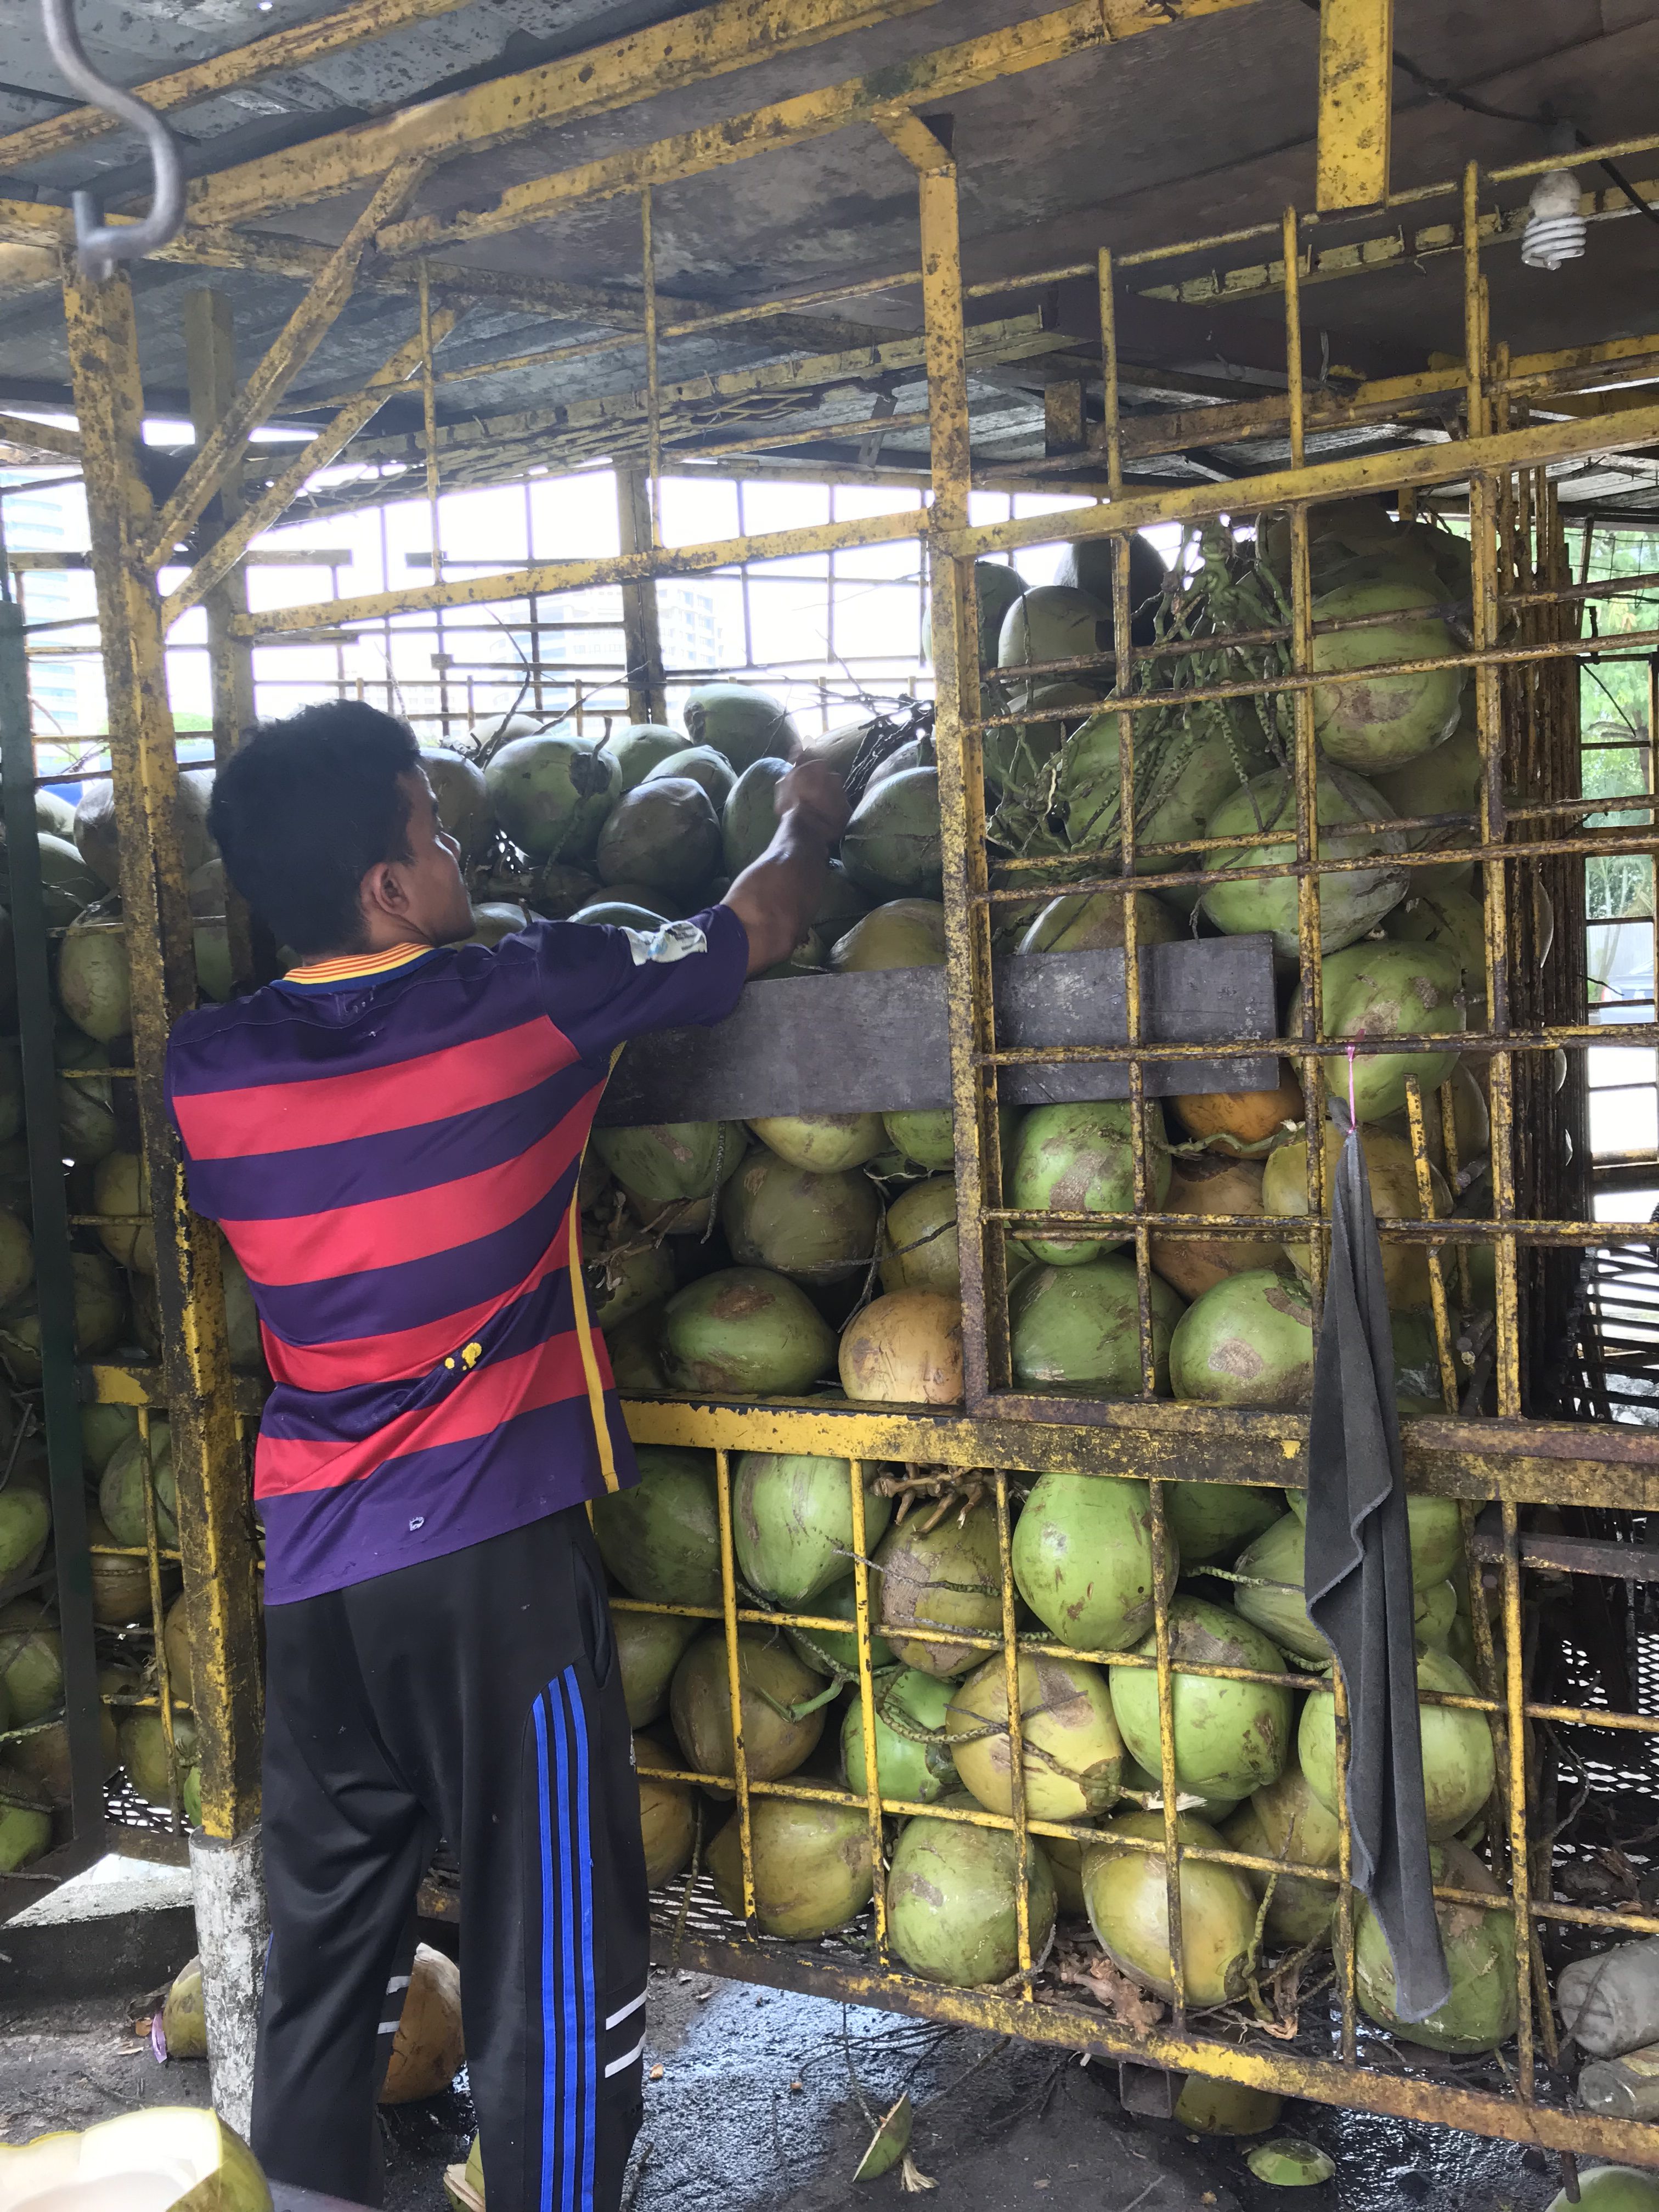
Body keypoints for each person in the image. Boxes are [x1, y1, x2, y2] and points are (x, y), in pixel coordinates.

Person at [164, 700, 848, 2212]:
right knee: (553, 1946)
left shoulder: (207, 1073)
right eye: (431, 824)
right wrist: (808, 811)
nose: (455, 842)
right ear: (392, 887)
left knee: (326, 1954)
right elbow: (756, 929)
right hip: (489, 1572)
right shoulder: (521, 1001)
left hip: (317, 1572)